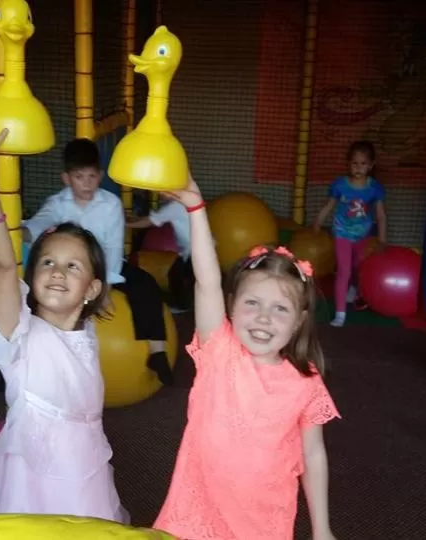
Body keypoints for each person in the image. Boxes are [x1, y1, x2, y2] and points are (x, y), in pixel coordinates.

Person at [154, 173, 340, 540]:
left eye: (280, 309)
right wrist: (195, 206)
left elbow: (314, 457)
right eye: (252, 303)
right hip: (197, 511)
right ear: (232, 307)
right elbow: (206, 279)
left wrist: (322, 529)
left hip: (263, 522)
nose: (264, 319)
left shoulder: (306, 380)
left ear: (300, 321)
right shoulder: (218, 349)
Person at [0, 109, 128, 522]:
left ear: (92, 288)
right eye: (47, 263)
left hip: (86, 474)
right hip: (30, 484)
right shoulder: (19, 333)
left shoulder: (85, 329)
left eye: (73, 266)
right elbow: (3, 266)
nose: (58, 272)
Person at [20, 138, 173, 385]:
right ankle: (23, 361)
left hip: (107, 265)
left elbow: (113, 247)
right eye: (79, 177)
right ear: (67, 178)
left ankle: (157, 351)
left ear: (100, 175)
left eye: (92, 176)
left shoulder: (110, 204)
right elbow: (40, 223)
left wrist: (106, 288)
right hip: (73, 269)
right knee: (31, 296)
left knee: (145, 284)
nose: (87, 183)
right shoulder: (57, 204)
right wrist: (21, 232)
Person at [313, 140, 387, 327]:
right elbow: (329, 206)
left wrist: (382, 239)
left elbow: (380, 214)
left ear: (370, 165)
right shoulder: (340, 185)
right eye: (354, 163)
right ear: (348, 164)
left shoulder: (374, 188)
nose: (358, 168)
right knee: (343, 270)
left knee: (356, 267)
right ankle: (340, 313)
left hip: (362, 234)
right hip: (342, 232)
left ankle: (353, 288)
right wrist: (318, 222)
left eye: (363, 164)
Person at [126, 198, 194, 311]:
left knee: (179, 274)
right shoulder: (183, 203)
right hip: (197, 249)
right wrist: (132, 219)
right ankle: (183, 304)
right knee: (178, 273)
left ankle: (183, 305)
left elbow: (149, 222)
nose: (160, 194)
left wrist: (125, 223)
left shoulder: (175, 206)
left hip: (195, 250)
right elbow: (151, 219)